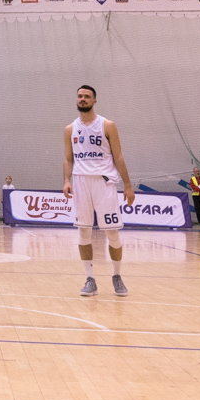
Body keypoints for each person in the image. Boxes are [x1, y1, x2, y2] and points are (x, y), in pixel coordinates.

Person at [62, 85, 135, 297]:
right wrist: (66, 181)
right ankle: (90, 278)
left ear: (94, 101)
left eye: (87, 96)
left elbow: (118, 157)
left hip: (104, 182)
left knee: (112, 233)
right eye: (80, 96)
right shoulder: (70, 129)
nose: (82, 99)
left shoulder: (107, 125)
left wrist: (127, 185)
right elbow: (68, 159)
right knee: (83, 231)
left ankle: (117, 276)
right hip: (81, 182)